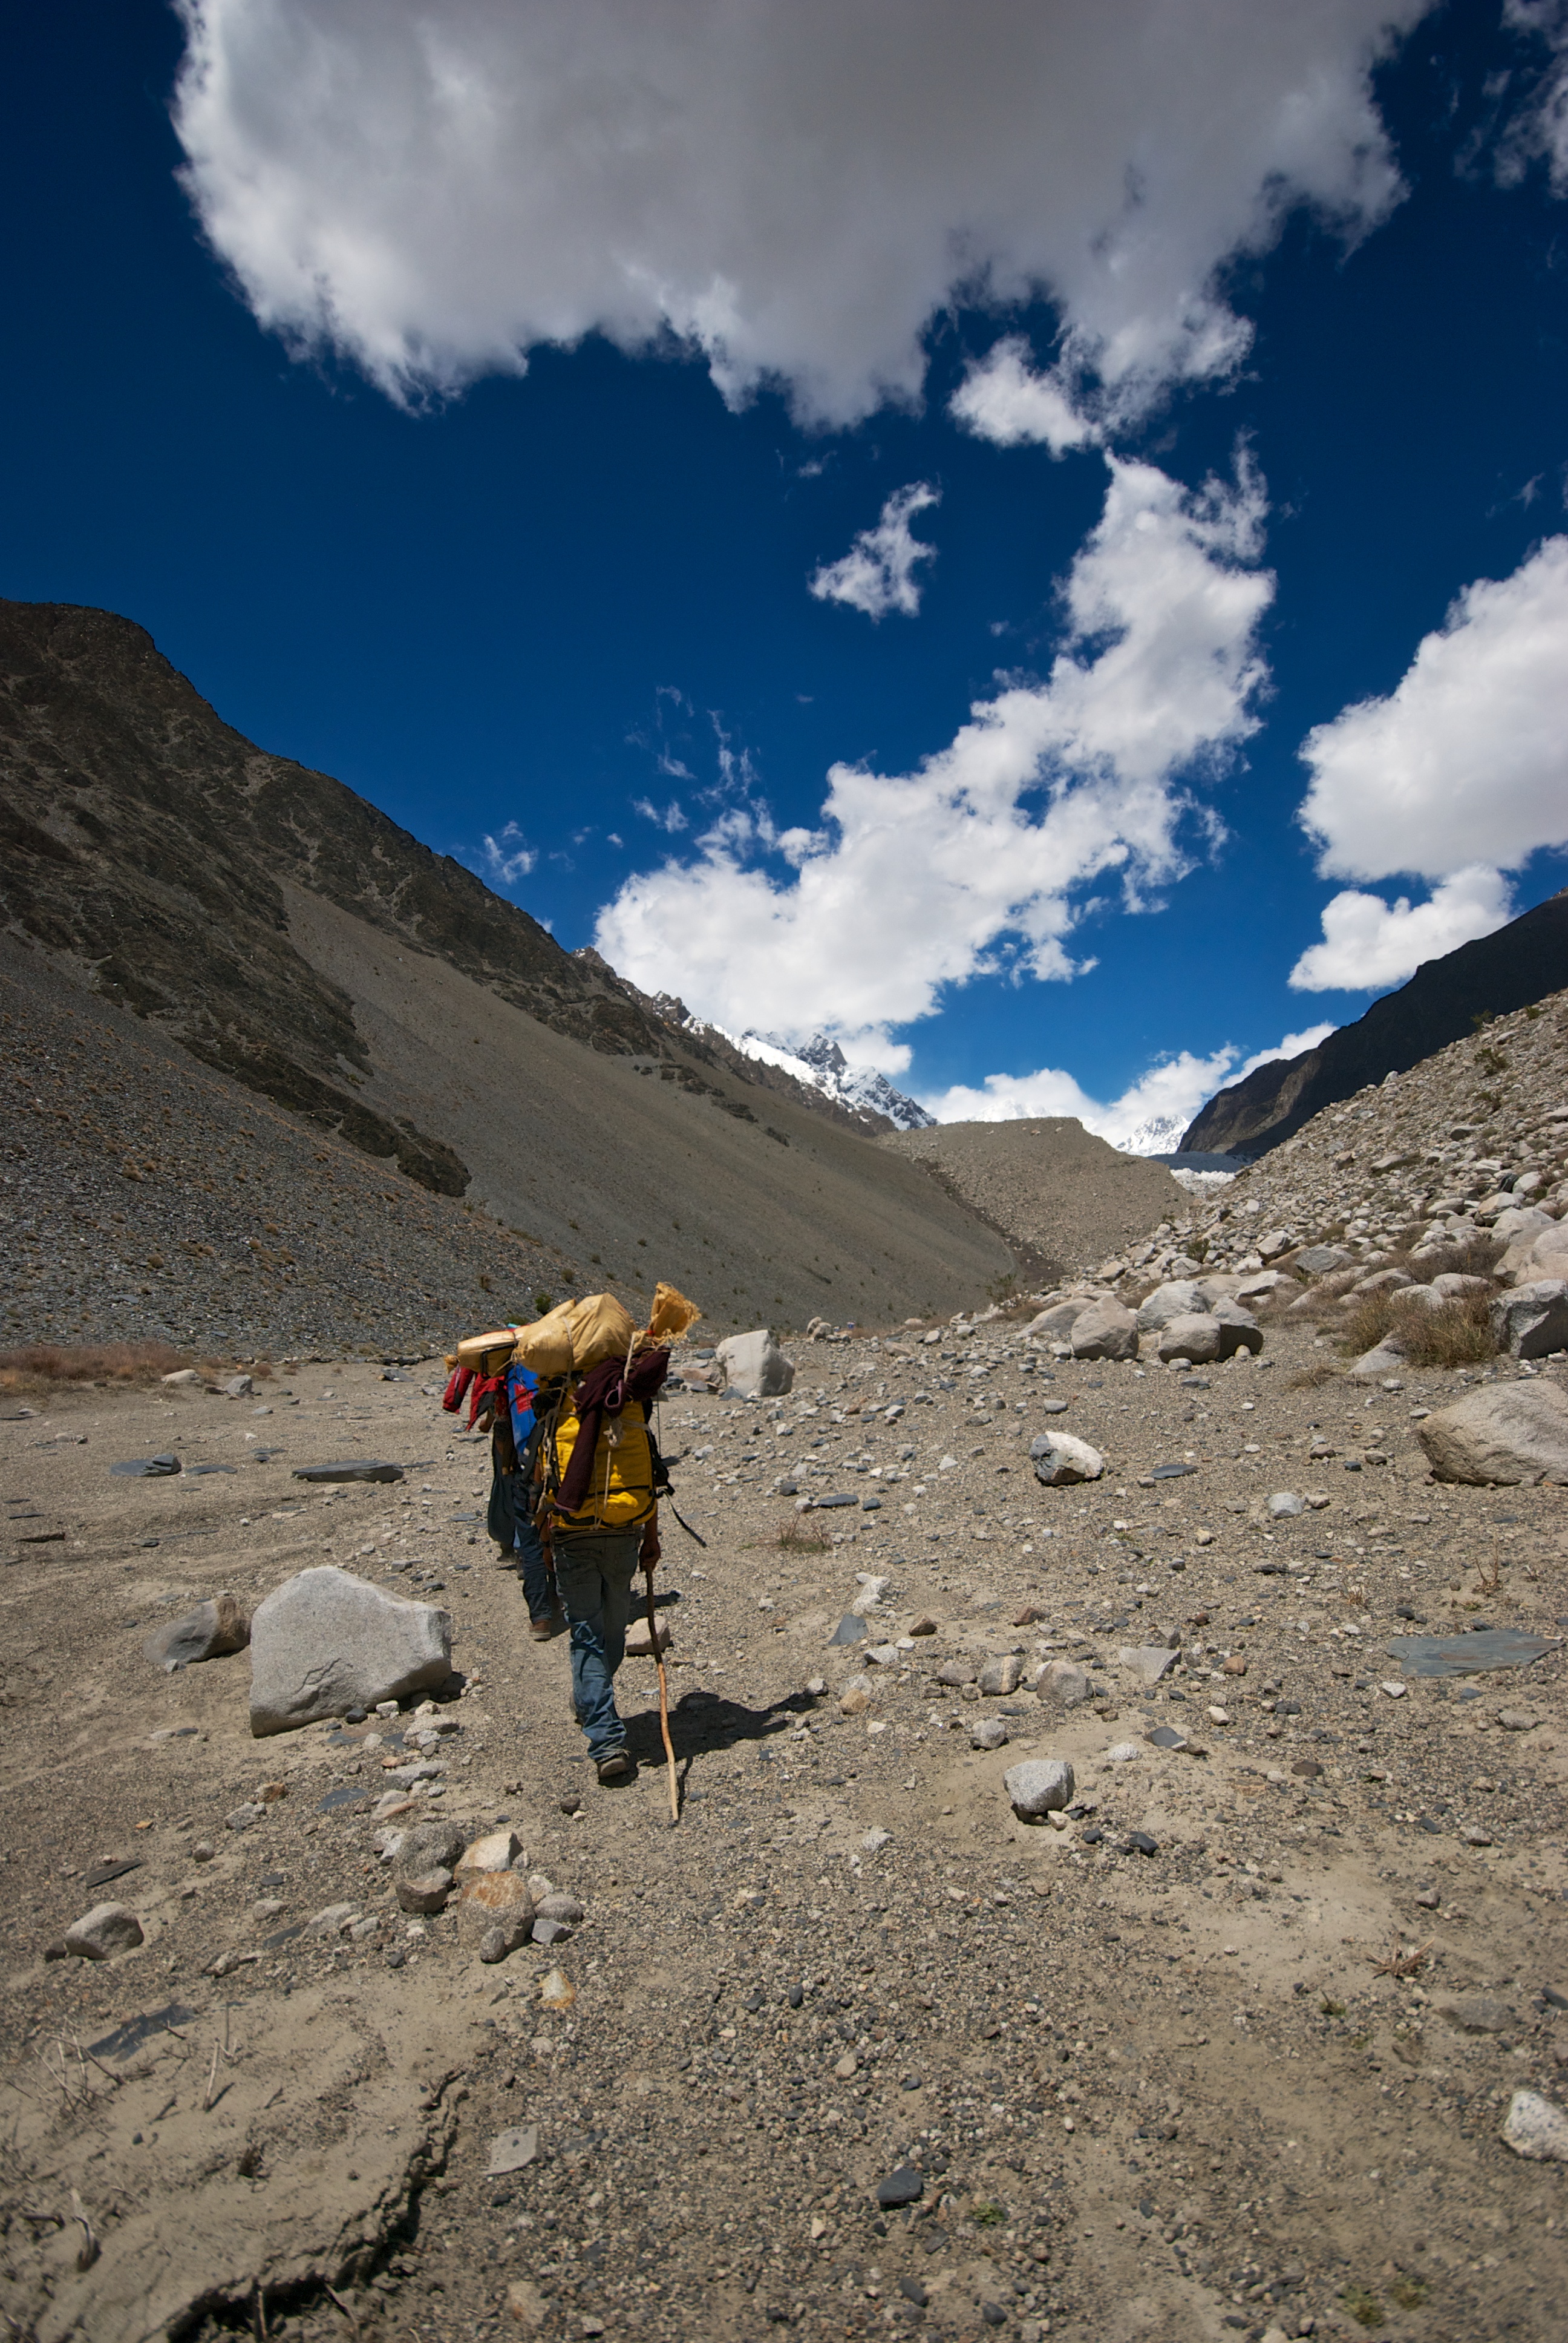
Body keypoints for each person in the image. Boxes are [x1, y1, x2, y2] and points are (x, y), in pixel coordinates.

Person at [544, 1343, 670, 1783]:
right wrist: (650, 1541)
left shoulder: (559, 1411)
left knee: (594, 1636)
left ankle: (589, 1698)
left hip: (574, 1538)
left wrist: (544, 1546)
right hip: (622, 1535)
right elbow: (652, 1481)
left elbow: (543, 1487)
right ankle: (607, 1740)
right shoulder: (631, 1411)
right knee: (606, 1631)